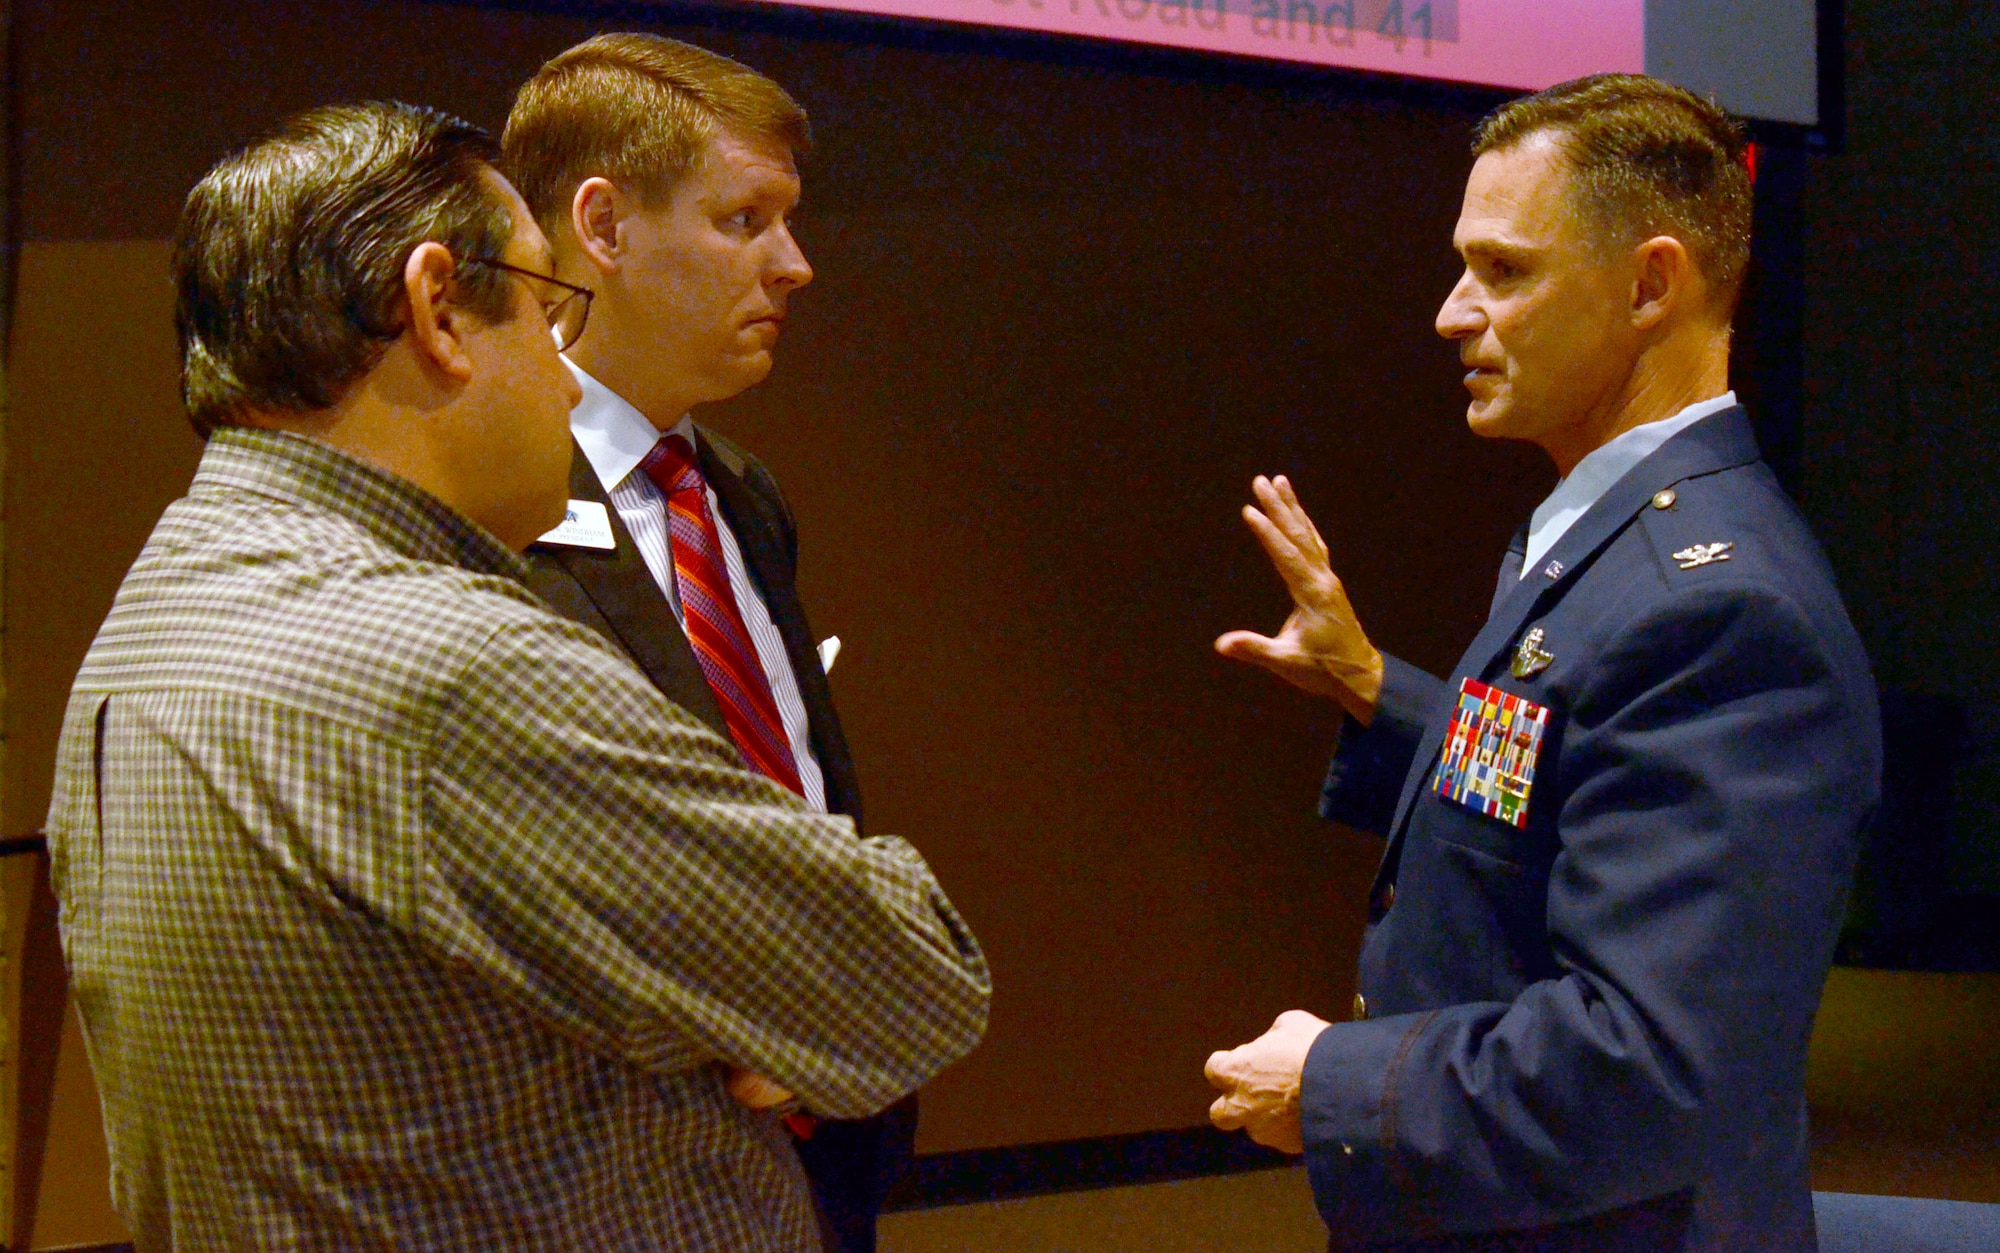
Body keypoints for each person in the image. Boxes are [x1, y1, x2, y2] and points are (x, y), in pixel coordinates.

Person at [43, 100, 988, 1251]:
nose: (562, 369)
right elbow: (908, 980)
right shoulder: (451, 664)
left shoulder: (153, 613)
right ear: (440, 308)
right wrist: (736, 1005)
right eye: (548, 309)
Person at [1203, 74, 1879, 1251]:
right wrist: (1377, 685)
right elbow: (1570, 774)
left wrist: (1331, 1086)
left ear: (1647, 283)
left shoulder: (1717, 609)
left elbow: (1651, 1065)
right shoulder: (1607, 537)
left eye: (1503, 271)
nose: (1452, 313)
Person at [499, 34, 900, 1251]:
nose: (795, 264)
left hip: (826, 1137)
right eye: (744, 220)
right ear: (603, 226)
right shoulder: (489, 509)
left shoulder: (738, 489)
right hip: (619, 1163)